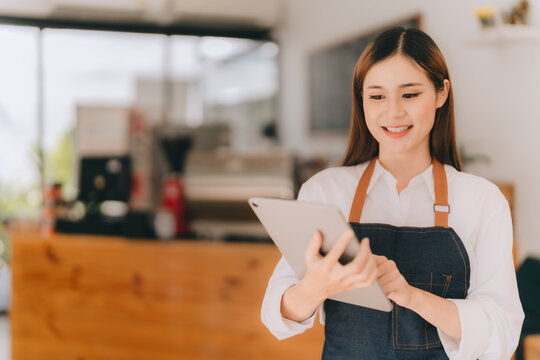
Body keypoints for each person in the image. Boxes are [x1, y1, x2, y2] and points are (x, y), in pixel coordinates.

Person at [261, 27, 524, 359]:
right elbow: (277, 317)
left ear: (441, 93)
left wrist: (411, 296)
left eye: (410, 94)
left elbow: (502, 332)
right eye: (377, 95)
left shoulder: (482, 201)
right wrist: (315, 287)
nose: (393, 112)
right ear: (362, 100)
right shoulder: (325, 191)